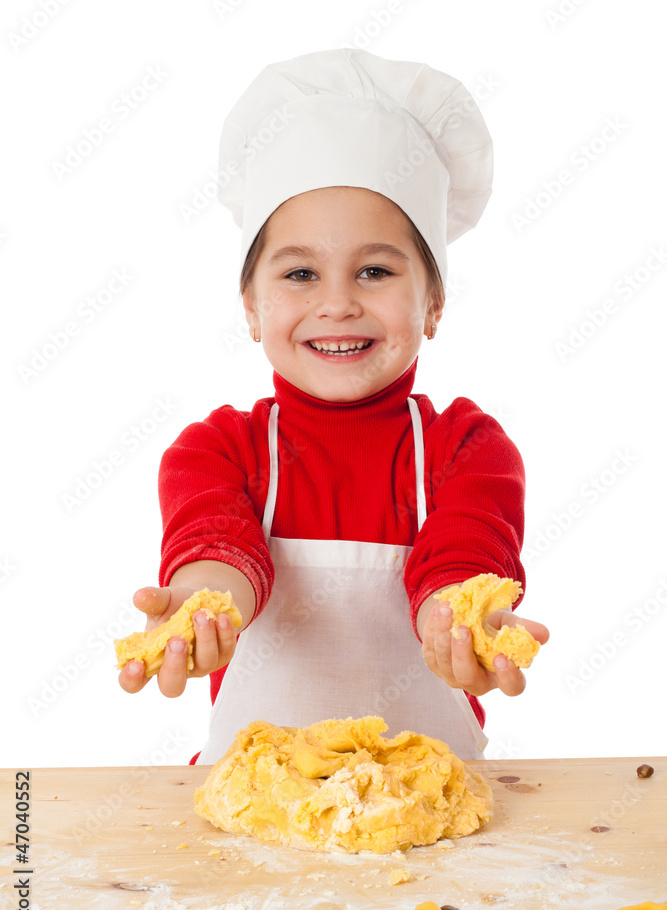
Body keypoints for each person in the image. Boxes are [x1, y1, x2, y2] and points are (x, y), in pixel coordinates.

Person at [118, 48, 549, 763]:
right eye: (299, 274)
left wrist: (462, 623)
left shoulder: (468, 448)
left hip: (432, 815)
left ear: (432, 303)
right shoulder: (217, 450)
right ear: (252, 307)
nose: (338, 302)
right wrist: (197, 612)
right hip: (254, 808)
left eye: (375, 270)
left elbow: (463, 556)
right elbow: (215, 551)